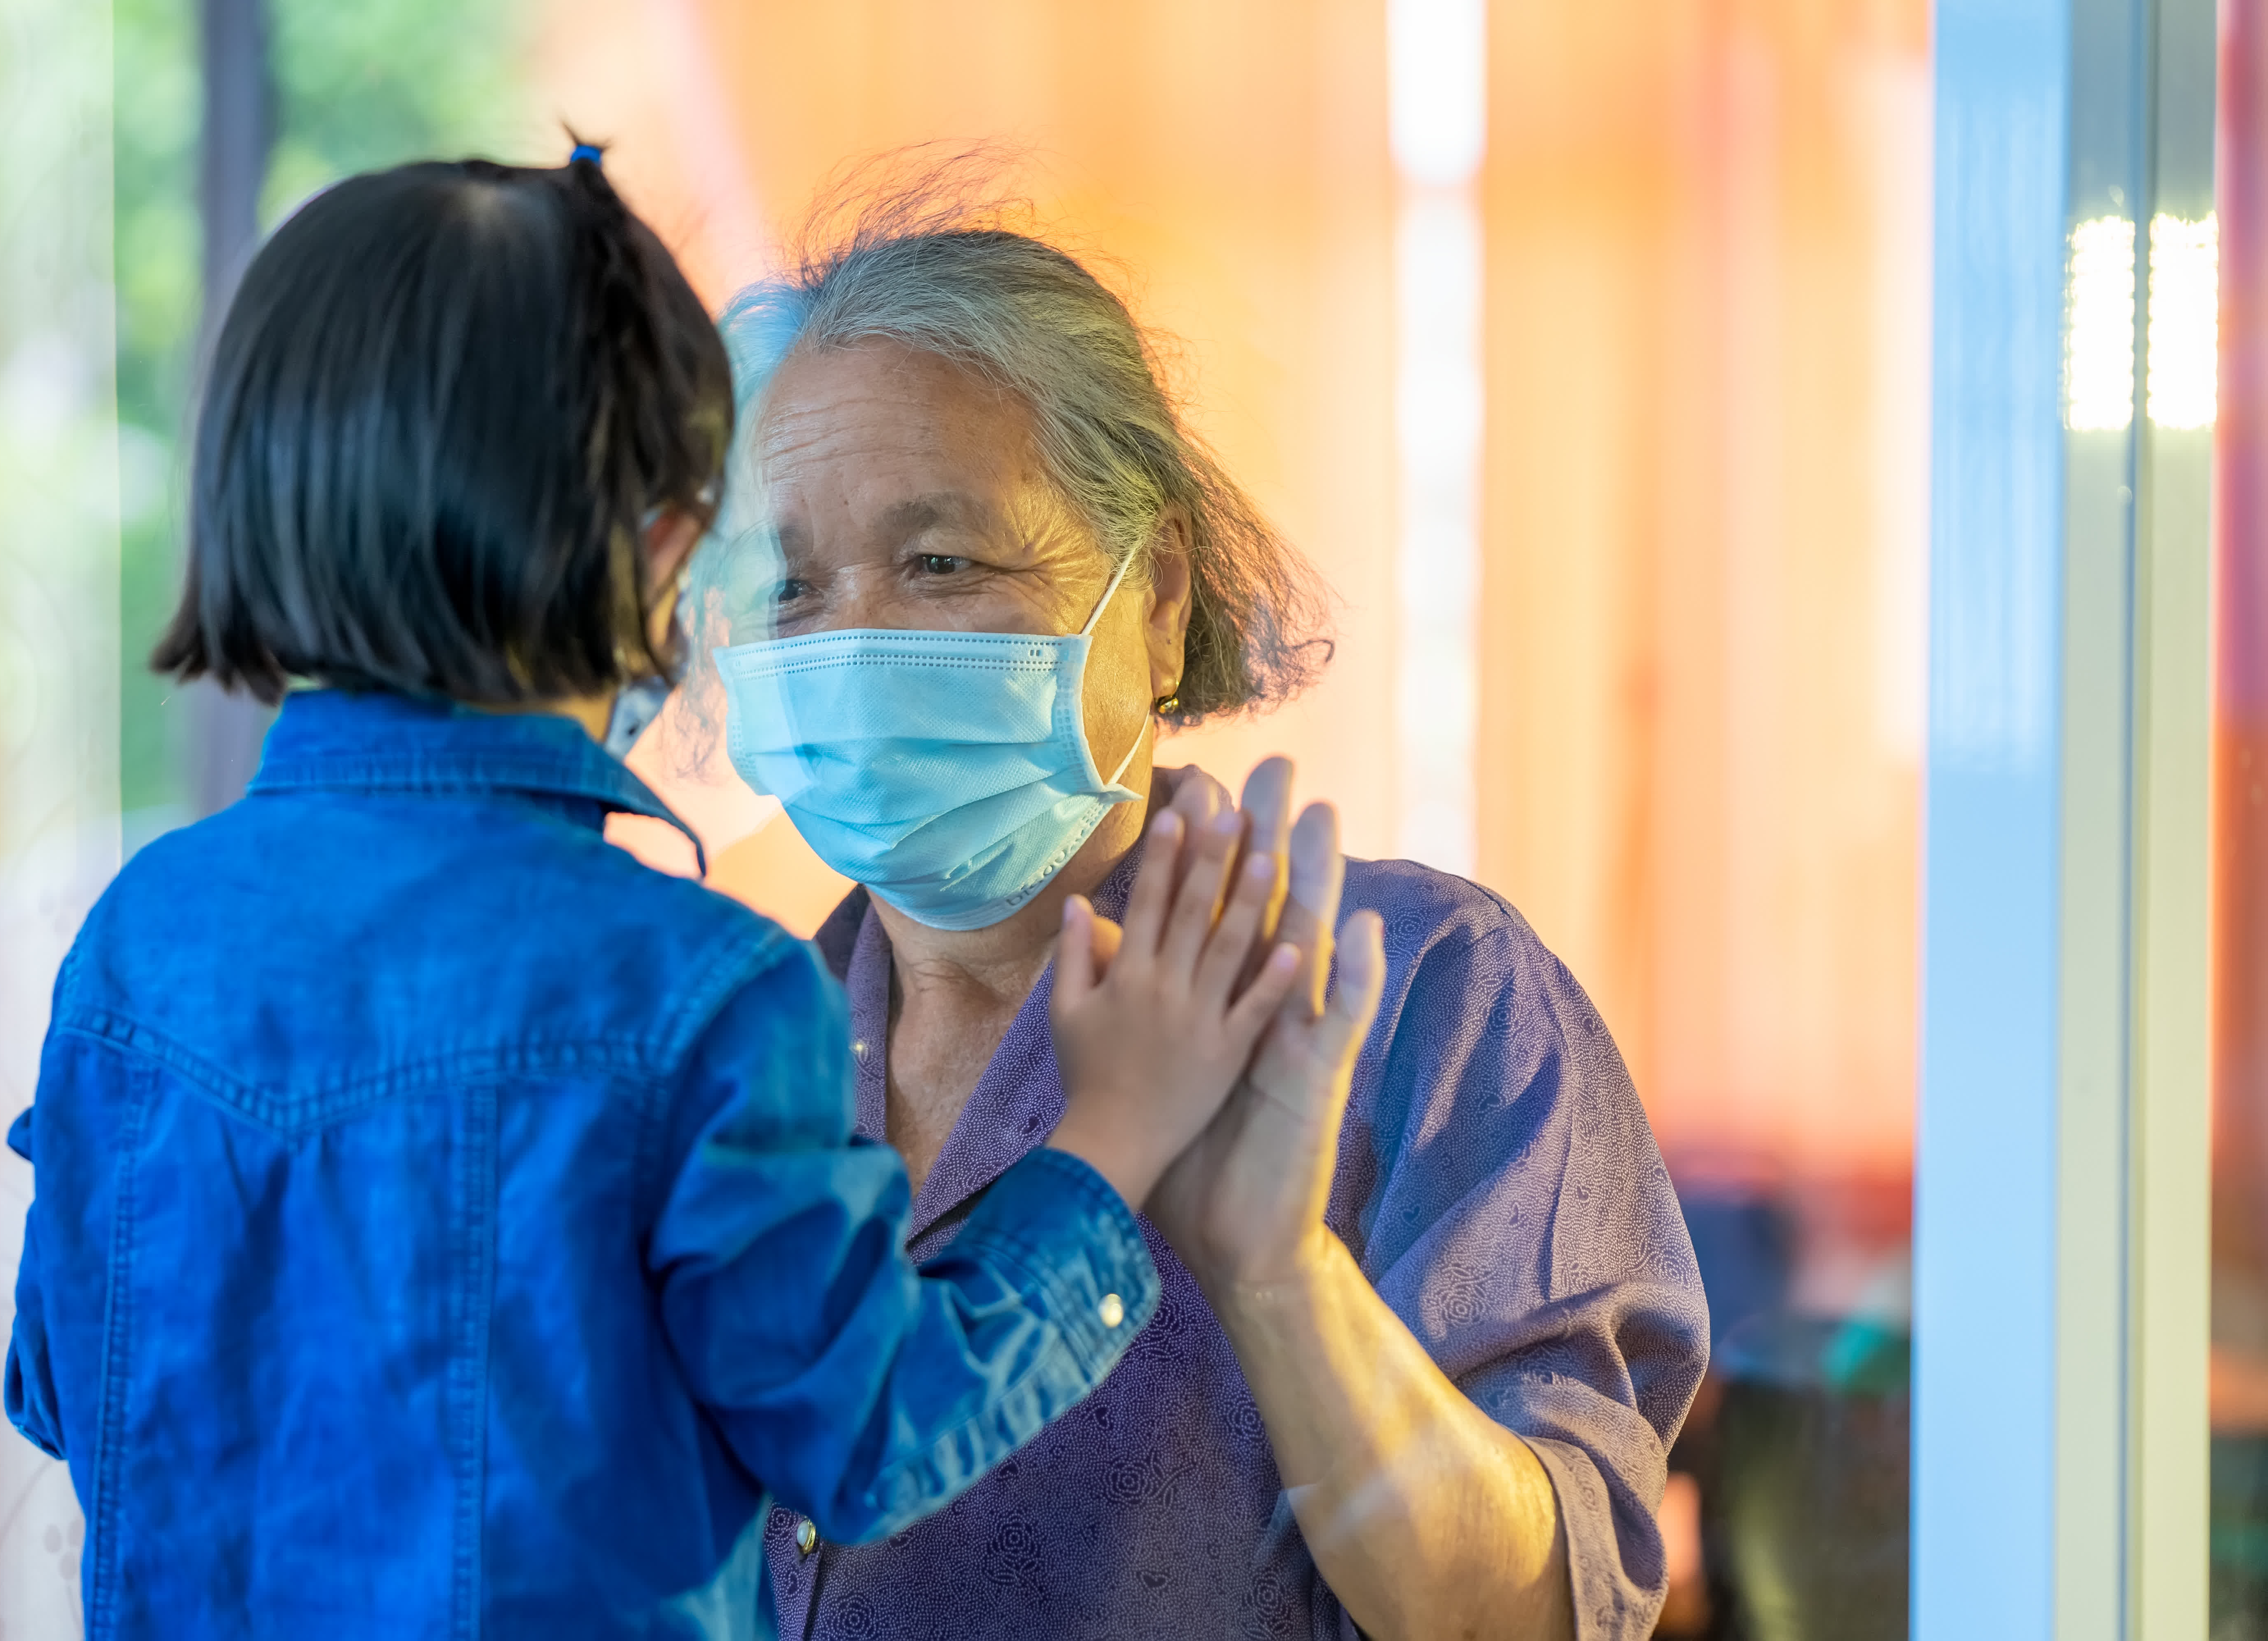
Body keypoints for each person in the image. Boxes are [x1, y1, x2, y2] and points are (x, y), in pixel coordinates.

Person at [0, 150, 1378, 1640]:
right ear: (664, 551)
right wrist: (1111, 1137)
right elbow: (869, 1436)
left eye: (936, 560)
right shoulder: (695, 995)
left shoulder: (135, 945)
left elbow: (58, 1385)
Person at [704, 188, 1710, 1641]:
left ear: (1160, 598)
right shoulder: (725, 1056)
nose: (855, 642)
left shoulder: (1418, 1000)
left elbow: (1539, 1616)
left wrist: (1283, 1281)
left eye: (942, 562)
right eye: (791, 588)